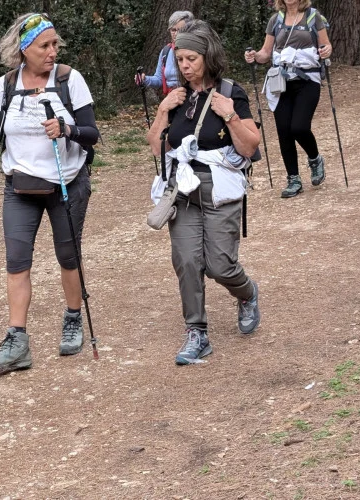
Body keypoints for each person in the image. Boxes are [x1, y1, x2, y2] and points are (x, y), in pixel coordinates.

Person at [0, 13, 100, 372]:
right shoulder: (7, 84)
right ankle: (17, 341)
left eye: (55, 44)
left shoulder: (69, 80)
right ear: (24, 49)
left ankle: (73, 318)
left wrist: (66, 129)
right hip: (20, 187)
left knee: (68, 256)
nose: (53, 51)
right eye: (44, 46)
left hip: (66, 184)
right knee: (17, 261)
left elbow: (91, 133)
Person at [146, 20, 262, 365]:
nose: (185, 66)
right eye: (180, 59)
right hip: (183, 192)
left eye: (191, 59)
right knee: (187, 261)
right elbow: (157, 148)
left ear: (207, 57)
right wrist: (163, 109)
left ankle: (247, 293)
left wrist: (230, 116)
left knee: (220, 267)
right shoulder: (177, 98)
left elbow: (250, 147)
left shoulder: (230, 92)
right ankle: (196, 332)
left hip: (219, 191)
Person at [244, 0, 332, 198]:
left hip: (308, 80)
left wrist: (326, 51)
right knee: (284, 131)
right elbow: (266, 53)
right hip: (281, 82)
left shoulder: (313, 16)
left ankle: (315, 159)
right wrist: (254, 56)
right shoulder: (276, 20)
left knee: (299, 127)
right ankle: (293, 179)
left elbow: (326, 46)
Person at [135, 10, 195, 94]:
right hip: (172, 97)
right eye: (173, 30)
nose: (176, 33)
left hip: (192, 95)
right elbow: (159, 79)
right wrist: (144, 79)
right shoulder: (166, 51)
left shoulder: (196, 50)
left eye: (181, 30)